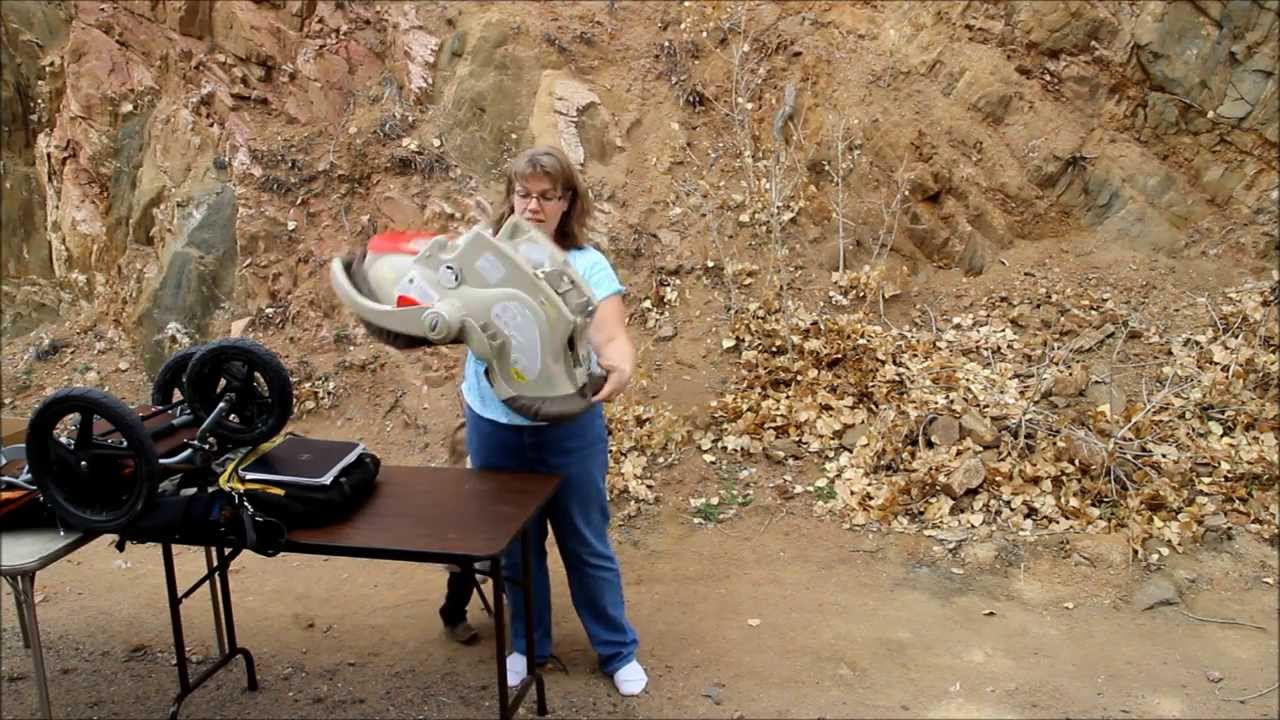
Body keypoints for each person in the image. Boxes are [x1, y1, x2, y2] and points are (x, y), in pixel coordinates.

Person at [460, 145, 647, 696]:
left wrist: (622, 364)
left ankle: (616, 651)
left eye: (547, 196)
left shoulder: (586, 264)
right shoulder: (486, 255)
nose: (533, 206)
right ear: (511, 198)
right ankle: (528, 646)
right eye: (524, 194)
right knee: (517, 545)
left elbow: (610, 333)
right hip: (495, 422)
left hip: (569, 426)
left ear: (567, 202)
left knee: (585, 541)